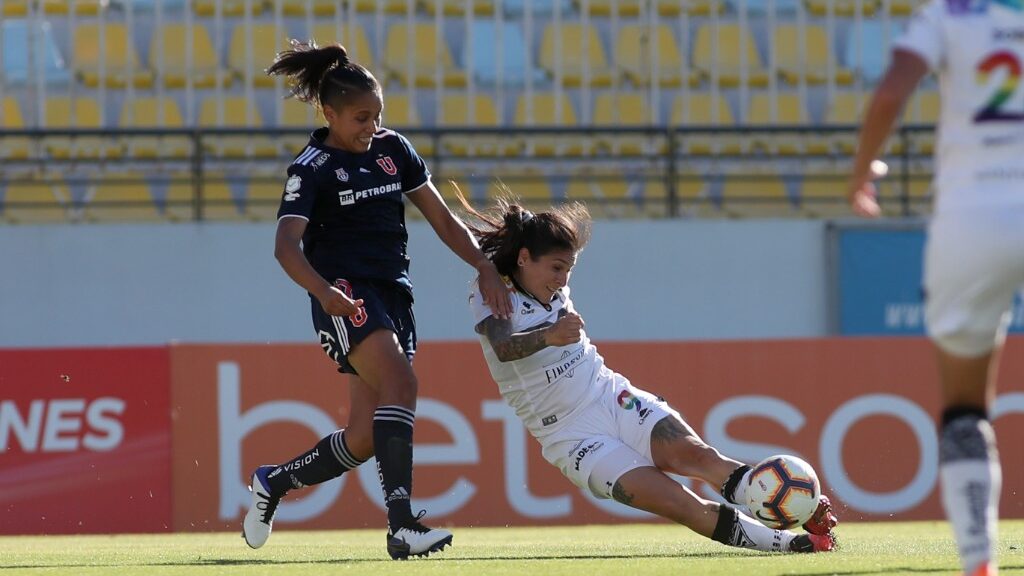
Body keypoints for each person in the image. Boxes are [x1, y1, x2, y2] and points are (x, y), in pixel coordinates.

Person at [240, 40, 513, 560]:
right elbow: (284, 247)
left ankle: (272, 482)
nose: (371, 126)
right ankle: (403, 524)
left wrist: (483, 265)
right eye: (361, 117)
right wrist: (325, 294)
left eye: (377, 115)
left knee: (364, 437)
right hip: (346, 296)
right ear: (330, 113)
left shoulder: (394, 151)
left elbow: (442, 220)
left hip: (394, 294)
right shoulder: (311, 168)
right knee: (402, 381)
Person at [461, 197, 838, 555]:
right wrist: (549, 336)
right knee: (680, 502)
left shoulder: (547, 282)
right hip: (570, 435)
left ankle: (798, 513)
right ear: (525, 258)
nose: (562, 279)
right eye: (556, 268)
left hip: (609, 394)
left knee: (701, 456)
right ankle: (788, 544)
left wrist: (799, 509)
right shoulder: (491, 288)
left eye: (569, 269)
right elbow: (502, 347)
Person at [847, 1, 1024, 574]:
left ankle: (979, 559)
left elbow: (894, 91)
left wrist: (862, 173)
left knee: (966, 409)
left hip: (972, 217)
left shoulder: (949, 14)